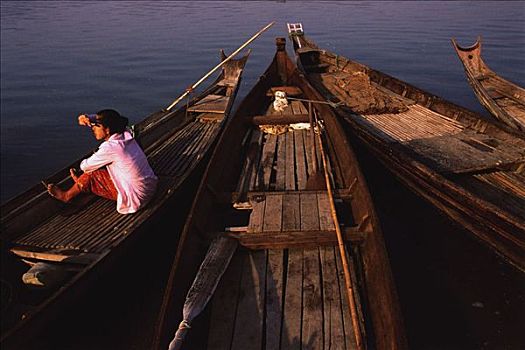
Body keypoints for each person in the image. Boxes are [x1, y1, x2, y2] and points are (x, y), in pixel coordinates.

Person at [47, 109, 158, 214]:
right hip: (150, 188)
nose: (93, 128)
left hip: (136, 198)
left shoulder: (110, 147)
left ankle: (66, 196)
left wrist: (83, 170)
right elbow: (110, 119)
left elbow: (85, 166)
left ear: (108, 129)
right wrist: (90, 118)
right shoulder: (126, 132)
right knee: (101, 166)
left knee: (91, 173)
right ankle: (83, 186)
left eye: (97, 126)